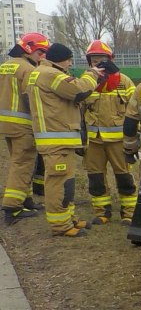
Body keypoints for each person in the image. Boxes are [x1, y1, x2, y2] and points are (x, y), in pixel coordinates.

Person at [27, 43, 105, 237]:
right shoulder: (51, 74)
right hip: (56, 139)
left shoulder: (41, 72)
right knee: (58, 183)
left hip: (58, 138)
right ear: (60, 58)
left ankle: (68, 218)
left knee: (66, 182)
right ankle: (60, 226)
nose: (70, 63)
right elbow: (78, 90)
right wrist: (92, 74)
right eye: (69, 59)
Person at [82, 41, 137, 225]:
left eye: (101, 59)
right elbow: (76, 109)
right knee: (95, 177)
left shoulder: (124, 81)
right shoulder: (86, 80)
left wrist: (135, 138)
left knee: (124, 177)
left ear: (109, 59)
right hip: (94, 140)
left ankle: (128, 213)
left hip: (118, 141)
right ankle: (102, 212)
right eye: (94, 59)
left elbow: (135, 109)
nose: (98, 62)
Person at [0, 32, 50, 225]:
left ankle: (26, 200)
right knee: (22, 165)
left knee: (20, 162)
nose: (42, 57)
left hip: (6, 124)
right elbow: (32, 99)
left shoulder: (5, 65)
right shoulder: (27, 69)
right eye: (40, 52)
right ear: (29, 49)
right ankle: (12, 208)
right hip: (23, 125)